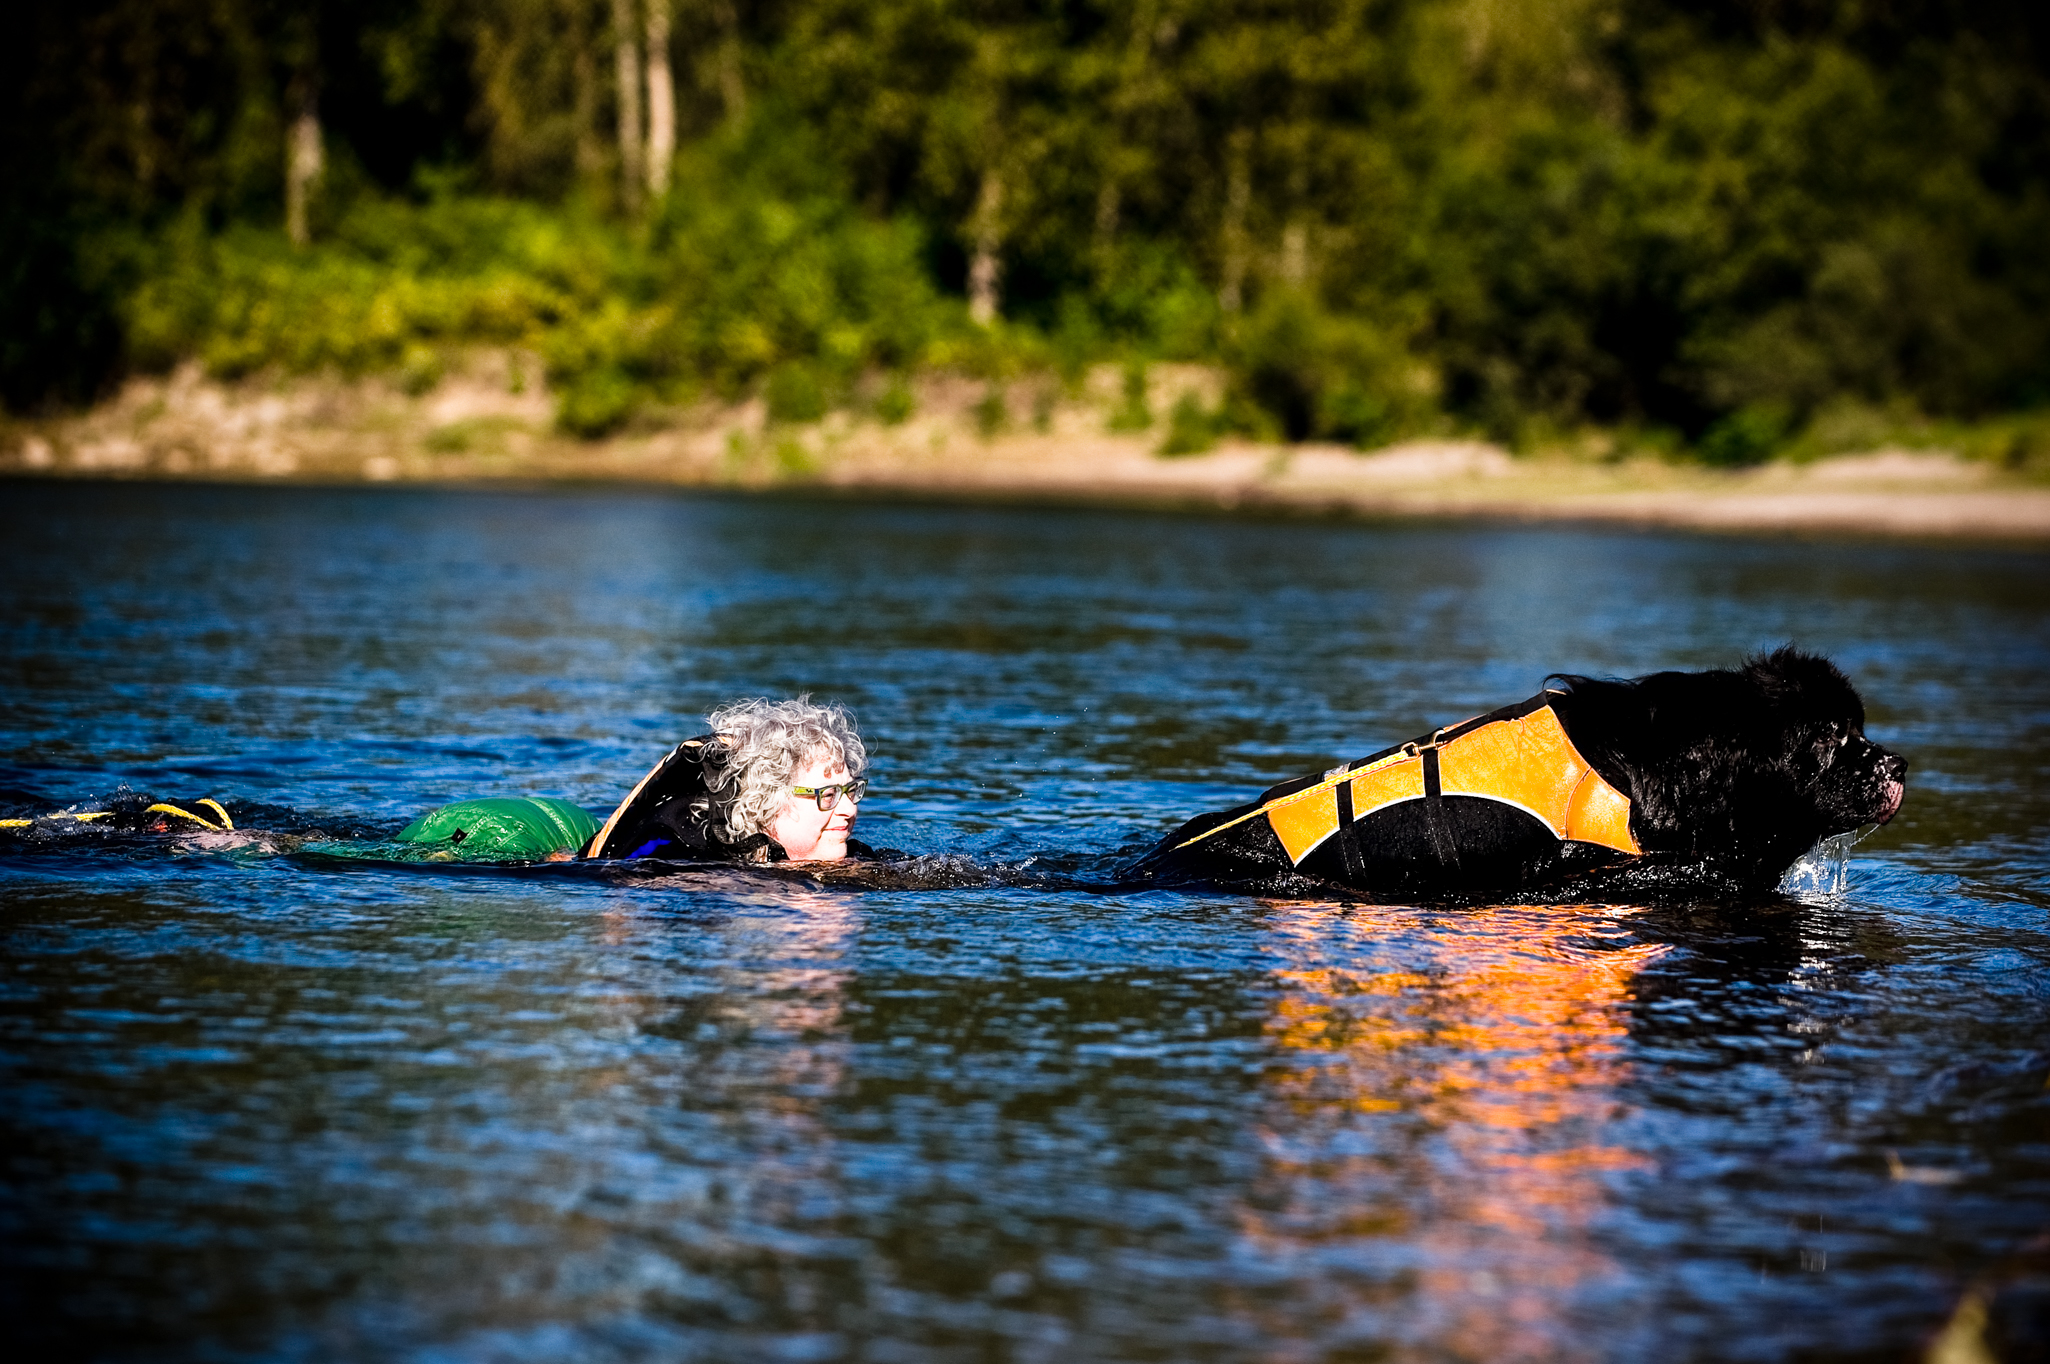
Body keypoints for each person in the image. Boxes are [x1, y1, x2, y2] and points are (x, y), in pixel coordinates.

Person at [393, 696, 873, 864]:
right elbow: (612, 887)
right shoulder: (675, 842)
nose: (848, 808)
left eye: (852, 790)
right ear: (766, 804)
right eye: (827, 795)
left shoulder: (848, 854)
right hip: (496, 831)